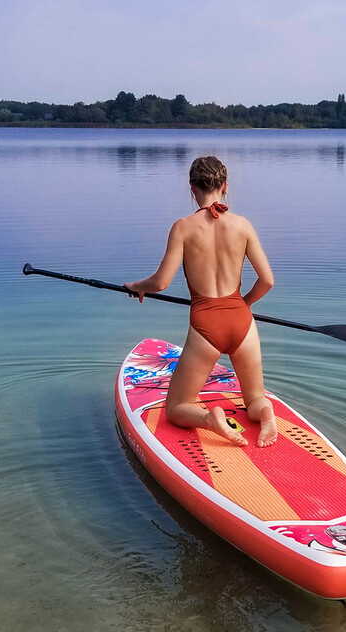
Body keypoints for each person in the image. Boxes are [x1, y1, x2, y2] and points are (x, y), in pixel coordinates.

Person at [125, 156, 277, 448]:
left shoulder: (183, 227)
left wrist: (136, 286)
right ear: (225, 187)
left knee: (177, 407)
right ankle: (265, 412)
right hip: (242, 320)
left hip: (206, 324)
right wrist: (243, 306)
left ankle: (210, 419)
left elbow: (160, 283)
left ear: (192, 188)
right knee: (255, 397)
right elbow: (267, 280)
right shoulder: (243, 226)